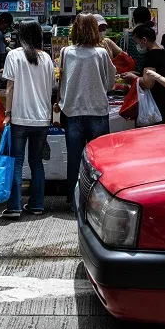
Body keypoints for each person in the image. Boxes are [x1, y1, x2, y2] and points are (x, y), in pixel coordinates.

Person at [58, 14, 116, 207]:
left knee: (75, 159)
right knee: (98, 160)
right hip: (98, 111)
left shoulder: (66, 52)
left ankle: (73, 201)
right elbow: (109, 83)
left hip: (72, 111)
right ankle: (98, 203)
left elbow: (61, 80)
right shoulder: (101, 53)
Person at [1, 20, 54, 219]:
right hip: (41, 119)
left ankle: (14, 207)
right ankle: (37, 205)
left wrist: (7, 113)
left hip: (19, 118)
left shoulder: (13, 56)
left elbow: (10, 88)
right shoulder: (47, 58)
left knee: (16, 163)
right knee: (36, 163)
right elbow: (51, 87)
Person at [133, 24, 165, 123]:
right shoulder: (163, 51)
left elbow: (148, 83)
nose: (138, 46)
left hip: (157, 102)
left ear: (144, 40)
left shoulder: (151, 56)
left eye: (137, 42)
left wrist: (132, 78)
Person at [122, 6, 154, 73]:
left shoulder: (127, 35)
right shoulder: (150, 33)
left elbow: (121, 51)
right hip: (148, 70)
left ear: (133, 19)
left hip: (130, 71)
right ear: (149, 18)